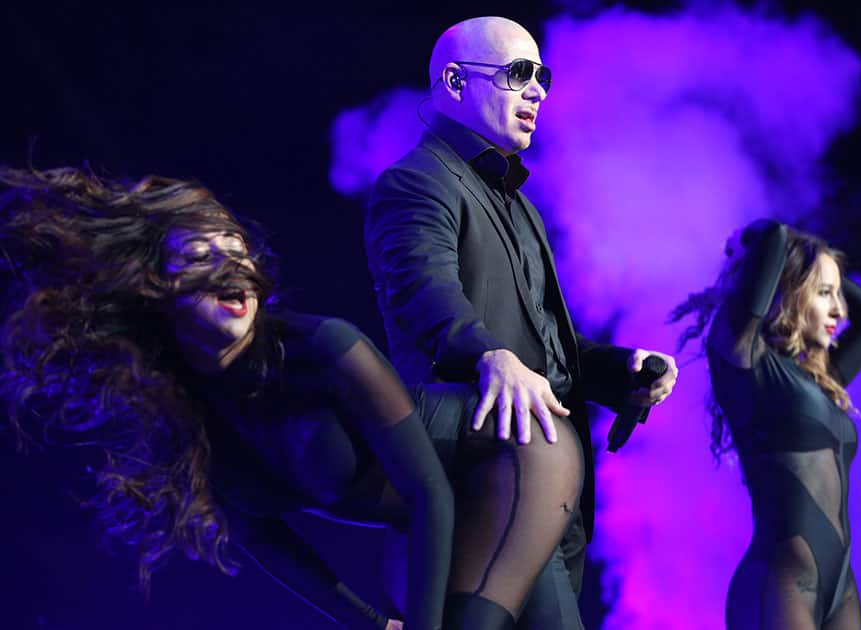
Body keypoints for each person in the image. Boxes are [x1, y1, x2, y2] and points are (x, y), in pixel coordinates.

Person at [0, 166, 582, 630]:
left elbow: (428, 490)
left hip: (516, 453)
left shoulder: (323, 347)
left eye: (236, 247)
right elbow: (269, 543)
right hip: (434, 516)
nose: (231, 263)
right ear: (158, 293)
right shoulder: (191, 423)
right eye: (202, 256)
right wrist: (373, 624)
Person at [365, 17, 679, 628]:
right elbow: (424, 294)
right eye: (518, 74)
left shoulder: (523, 210)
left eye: (543, 76)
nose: (537, 91)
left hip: (547, 479)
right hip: (486, 466)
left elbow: (549, 349)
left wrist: (622, 370)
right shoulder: (417, 181)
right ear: (455, 83)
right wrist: (488, 355)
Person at [671, 220, 861, 628]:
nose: (840, 311)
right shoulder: (745, 357)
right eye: (826, 295)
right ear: (789, 292)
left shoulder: (822, 382)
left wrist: (824, 271)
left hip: (840, 588)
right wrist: (797, 254)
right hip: (781, 582)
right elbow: (773, 235)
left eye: (838, 296)